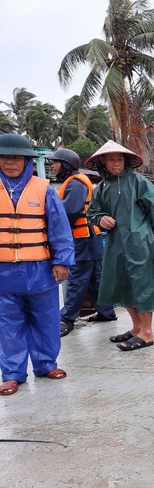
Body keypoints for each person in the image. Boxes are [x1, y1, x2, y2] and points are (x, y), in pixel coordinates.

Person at [0, 134, 74, 396]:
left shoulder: (44, 189)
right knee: (8, 324)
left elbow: (60, 229)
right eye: (5, 157)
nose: (10, 162)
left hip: (40, 268)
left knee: (47, 319)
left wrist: (62, 261)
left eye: (16, 157)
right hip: (4, 270)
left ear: (26, 161)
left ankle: (46, 364)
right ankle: (11, 374)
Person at [86, 140, 154, 351]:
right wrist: (100, 218)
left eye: (120, 159)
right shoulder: (101, 188)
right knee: (122, 282)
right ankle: (136, 327)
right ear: (103, 162)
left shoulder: (138, 182)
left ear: (126, 161)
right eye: (112, 159)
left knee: (143, 283)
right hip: (115, 243)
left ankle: (147, 333)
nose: (116, 163)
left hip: (139, 241)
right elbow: (92, 212)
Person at [49, 148, 117, 337]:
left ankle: (67, 319)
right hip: (90, 237)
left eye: (55, 163)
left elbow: (70, 211)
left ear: (66, 165)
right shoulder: (77, 182)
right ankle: (106, 311)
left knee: (77, 278)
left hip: (82, 239)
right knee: (95, 278)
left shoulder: (76, 183)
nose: (53, 167)